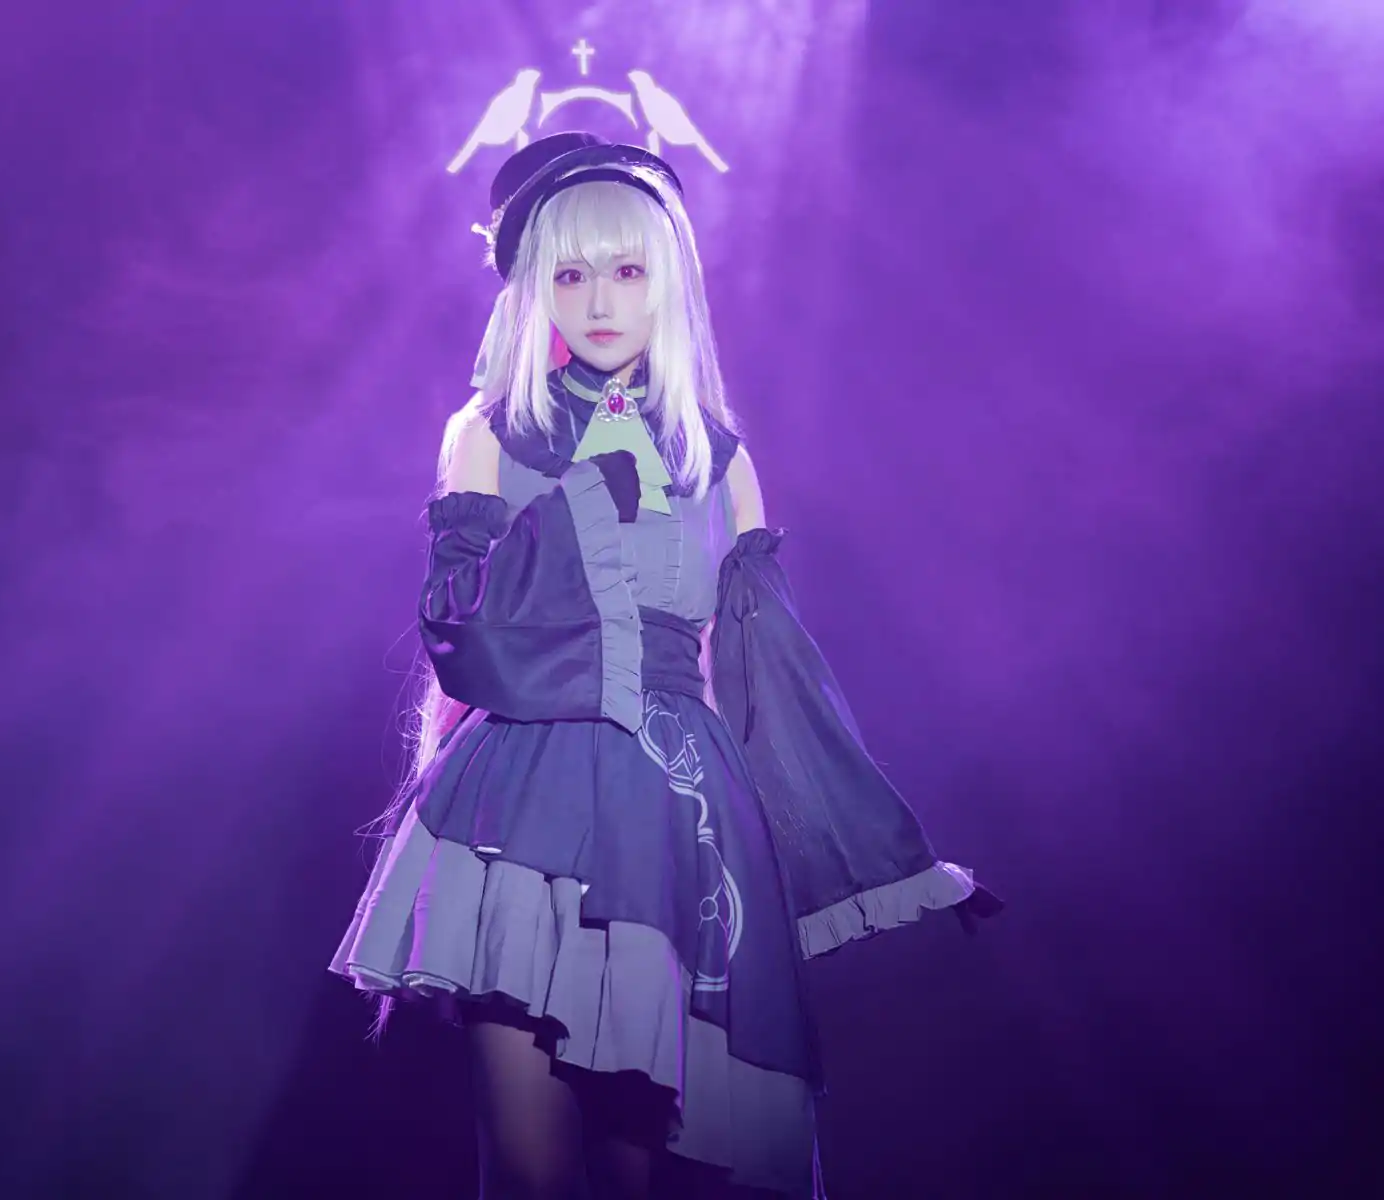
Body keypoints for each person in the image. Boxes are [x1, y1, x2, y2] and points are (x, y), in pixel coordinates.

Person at [329, 131, 999, 1200]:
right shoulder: (488, 433)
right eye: (571, 273)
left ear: (670, 283)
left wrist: (893, 858)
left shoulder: (720, 460)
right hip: (527, 810)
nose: (601, 299)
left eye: (628, 269)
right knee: (528, 1176)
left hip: (675, 824)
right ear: (534, 289)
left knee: (638, 1177)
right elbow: (462, 633)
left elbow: (772, 687)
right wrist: (586, 494)